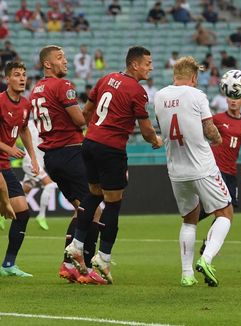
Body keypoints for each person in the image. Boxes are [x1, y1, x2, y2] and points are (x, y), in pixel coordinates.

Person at [65, 46, 162, 284]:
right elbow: (147, 129)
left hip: (90, 143)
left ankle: (76, 245)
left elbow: (87, 110)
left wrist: (91, 132)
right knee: (113, 204)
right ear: (135, 64)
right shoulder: (137, 91)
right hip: (111, 148)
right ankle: (103, 259)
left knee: (93, 194)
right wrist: (156, 141)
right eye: (148, 63)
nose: (151, 67)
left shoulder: (106, 78)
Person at [154, 56, 233, 287]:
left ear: (174, 76)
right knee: (225, 213)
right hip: (202, 166)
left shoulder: (159, 96)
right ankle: (206, 259)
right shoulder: (197, 95)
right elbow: (210, 130)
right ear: (194, 77)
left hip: (176, 170)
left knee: (189, 219)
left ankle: (186, 274)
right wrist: (219, 138)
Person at [30, 45, 104, 284]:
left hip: (52, 157)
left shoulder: (36, 89)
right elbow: (79, 120)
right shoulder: (63, 85)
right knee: (95, 209)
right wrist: (94, 105)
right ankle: (85, 266)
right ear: (47, 64)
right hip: (70, 151)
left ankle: (67, 265)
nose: (66, 61)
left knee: (80, 208)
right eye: (60, 58)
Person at [198, 93, 241, 253]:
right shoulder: (216, 119)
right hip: (215, 169)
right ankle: (197, 229)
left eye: (237, 98)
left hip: (231, 172)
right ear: (227, 100)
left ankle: (198, 226)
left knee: (226, 210)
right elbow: (202, 132)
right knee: (222, 208)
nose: (233, 101)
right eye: (230, 98)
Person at [0, 61, 39, 277]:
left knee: (22, 213)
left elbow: (24, 130)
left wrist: (33, 157)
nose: (22, 78)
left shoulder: (25, 104)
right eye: (17, 74)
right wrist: (9, 147)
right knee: (7, 206)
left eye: (24, 74)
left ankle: (8, 265)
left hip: (4, 164)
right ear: (8, 79)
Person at [22, 119, 57, 231]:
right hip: (31, 162)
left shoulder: (48, 126)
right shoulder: (29, 124)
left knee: (24, 191)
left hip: (38, 163)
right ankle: (41, 215)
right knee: (50, 185)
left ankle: (1, 214)